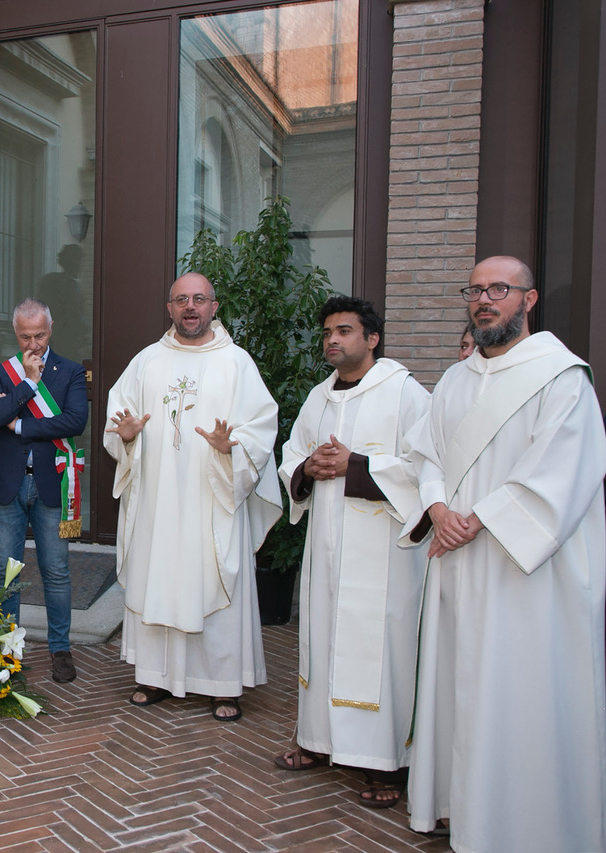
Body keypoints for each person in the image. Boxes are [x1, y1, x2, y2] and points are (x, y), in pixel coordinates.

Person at [401, 255, 606, 851]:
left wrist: (479, 519)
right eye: (475, 289)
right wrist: (438, 509)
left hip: (524, 573)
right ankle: (459, 807)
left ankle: (526, 823)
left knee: (518, 689)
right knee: (460, 683)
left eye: (499, 289)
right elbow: (426, 456)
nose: (484, 299)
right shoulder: (458, 378)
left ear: (529, 299)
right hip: (457, 555)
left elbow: (561, 474)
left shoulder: (561, 377)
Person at [275, 296, 429, 809]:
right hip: (327, 547)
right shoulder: (319, 397)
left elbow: (426, 468)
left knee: (380, 645)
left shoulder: (406, 394)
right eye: (327, 333)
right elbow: (292, 455)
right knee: (322, 638)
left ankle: (385, 761)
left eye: (344, 331)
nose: (332, 340)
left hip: (384, 552)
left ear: (372, 339)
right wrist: (307, 471)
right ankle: (320, 741)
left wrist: (356, 467)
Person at [104, 272, 281, 720]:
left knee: (212, 574)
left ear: (214, 307)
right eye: (181, 299)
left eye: (199, 299)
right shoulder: (146, 362)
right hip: (159, 501)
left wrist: (232, 448)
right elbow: (118, 421)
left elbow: (261, 427)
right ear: (169, 308)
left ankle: (221, 684)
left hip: (212, 498)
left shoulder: (237, 363)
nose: (190, 307)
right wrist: (125, 440)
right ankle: (155, 676)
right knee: (158, 573)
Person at [0, 298, 88, 683]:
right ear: (16, 333)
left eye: (40, 335)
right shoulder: (1, 372)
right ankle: (5, 649)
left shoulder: (72, 372)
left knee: (55, 571)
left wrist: (21, 426)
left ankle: (60, 649)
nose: (34, 344)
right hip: (8, 485)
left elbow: (75, 421)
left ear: (52, 328)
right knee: (4, 572)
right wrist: (27, 384)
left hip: (51, 485)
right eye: (26, 336)